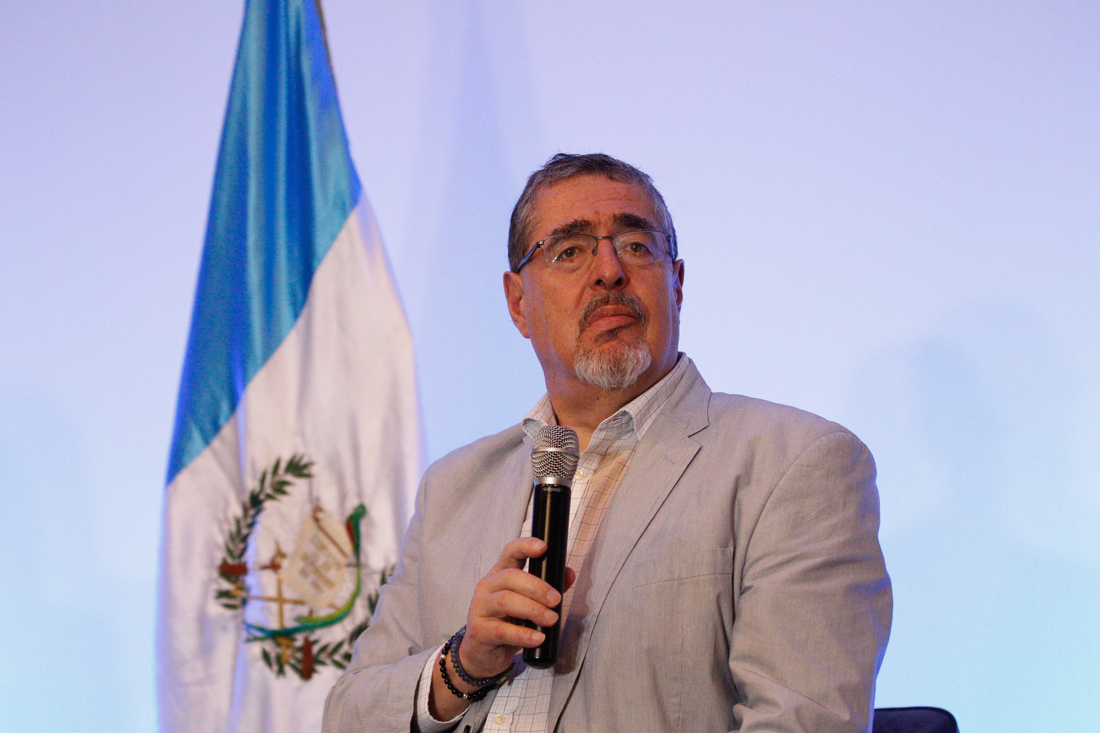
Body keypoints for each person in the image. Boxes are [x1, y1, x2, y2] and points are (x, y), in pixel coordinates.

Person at [323, 153, 891, 732]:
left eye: (637, 246)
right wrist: (463, 665)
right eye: (569, 251)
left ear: (677, 282)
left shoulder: (793, 464)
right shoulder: (453, 488)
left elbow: (804, 722)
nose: (609, 271)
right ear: (518, 303)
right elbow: (349, 715)